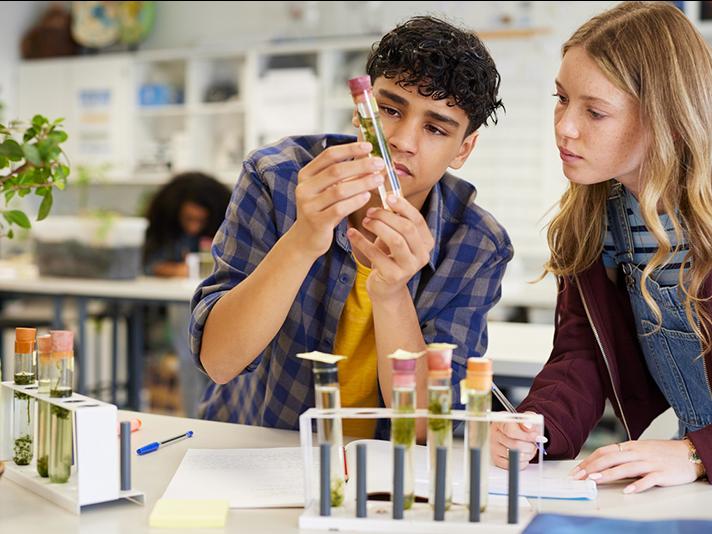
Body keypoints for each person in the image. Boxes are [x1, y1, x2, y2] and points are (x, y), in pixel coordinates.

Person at [190, 16, 512, 440]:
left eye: (435, 128)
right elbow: (219, 360)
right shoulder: (278, 179)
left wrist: (393, 292)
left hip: (381, 474)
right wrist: (304, 238)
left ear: (463, 149)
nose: (401, 139)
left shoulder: (476, 243)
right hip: (256, 450)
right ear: (360, 109)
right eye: (390, 110)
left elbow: (421, 426)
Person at [492, 1, 711, 491]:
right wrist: (536, 427)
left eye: (595, 111)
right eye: (561, 98)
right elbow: (581, 355)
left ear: (668, 120)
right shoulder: (597, 218)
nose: (565, 126)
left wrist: (698, 452)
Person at [143, 171, 231, 417]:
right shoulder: (164, 227)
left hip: (219, 302)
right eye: (188, 219)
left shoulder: (227, 224)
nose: (193, 225)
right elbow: (150, 262)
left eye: (199, 220)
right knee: (190, 359)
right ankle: (197, 417)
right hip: (177, 307)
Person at [143, 171, 231, 278]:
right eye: (188, 219)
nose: (193, 228)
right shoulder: (162, 227)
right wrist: (176, 271)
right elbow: (148, 265)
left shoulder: (225, 228)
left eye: (202, 220)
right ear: (175, 212)